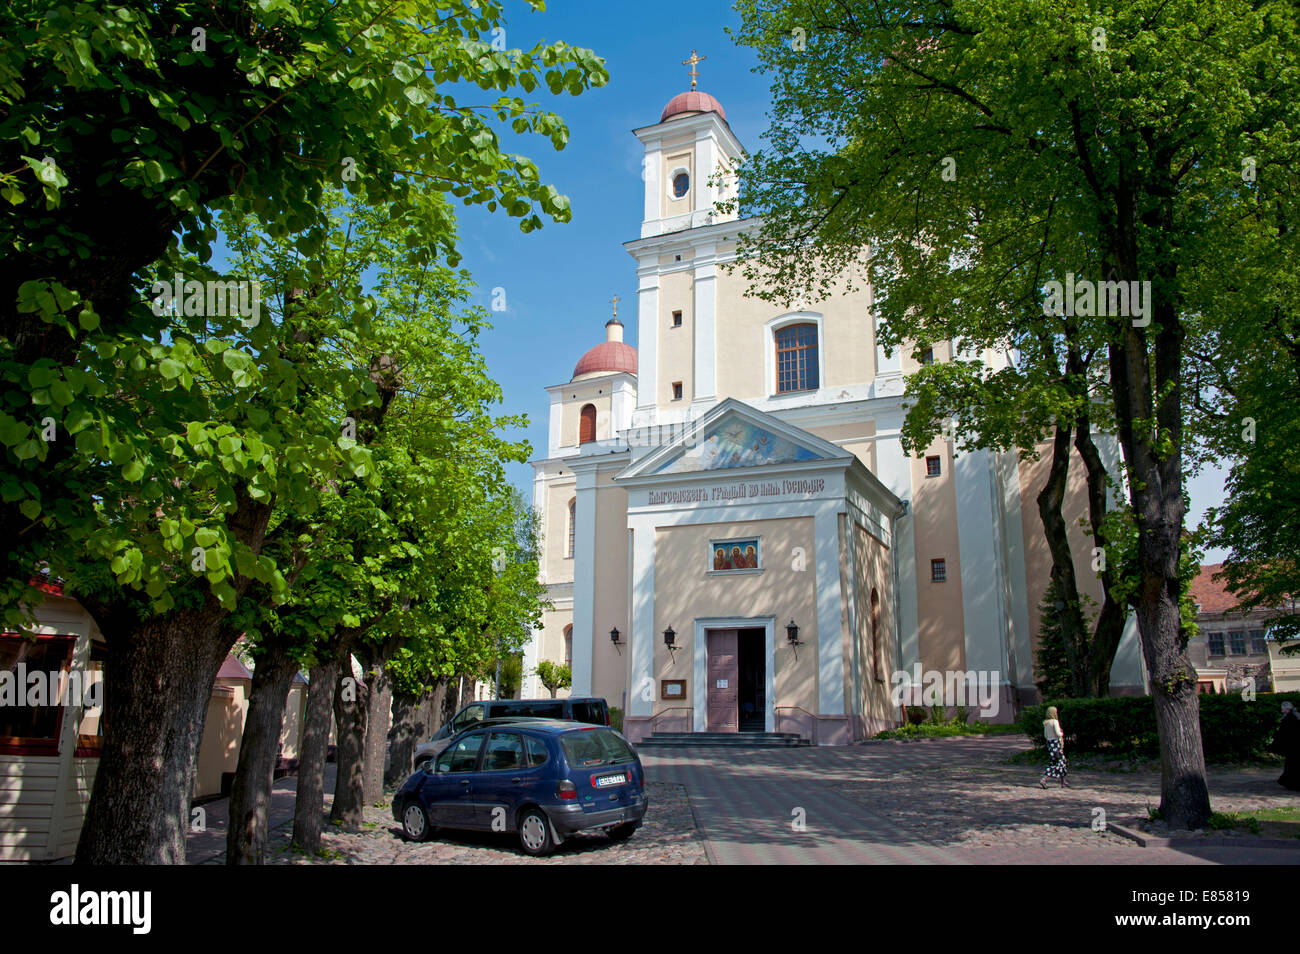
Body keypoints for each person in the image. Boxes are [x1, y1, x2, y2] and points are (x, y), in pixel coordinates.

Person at [1271, 701, 1300, 791]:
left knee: (1292, 765)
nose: (1282, 710)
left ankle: (1292, 783)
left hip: (1292, 746)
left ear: (1287, 709)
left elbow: (1284, 733)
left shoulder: (1289, 719)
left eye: (1283, 709)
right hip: (1295, 745)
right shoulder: (1296, 716)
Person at [1039, 706, 1069, 789]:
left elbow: (1045, 735)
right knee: (1055, 762)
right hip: (1056, 744)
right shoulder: (1054, 722)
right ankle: (1044, 778)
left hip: (1050, 744)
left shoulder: (1046, 723)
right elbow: (1057, 733)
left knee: (1061, 761)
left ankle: (1063, 781)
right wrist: (1061, 733)